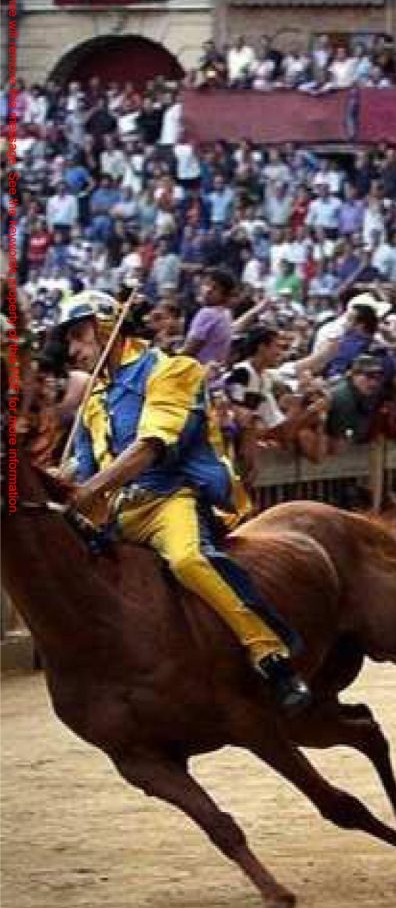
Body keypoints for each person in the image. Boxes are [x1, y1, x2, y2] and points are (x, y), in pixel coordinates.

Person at [51, 291, 310, 713]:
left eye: (79, 337)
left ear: (107, 328)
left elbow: (149, 447)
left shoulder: (170, 370)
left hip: (169, 499)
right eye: (69, 343)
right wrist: (48, 483)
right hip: (117, 510)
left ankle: (272, 655)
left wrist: (86, 492)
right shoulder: (94, 399)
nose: (73, 351)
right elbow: (81, 463)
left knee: (189, 560)